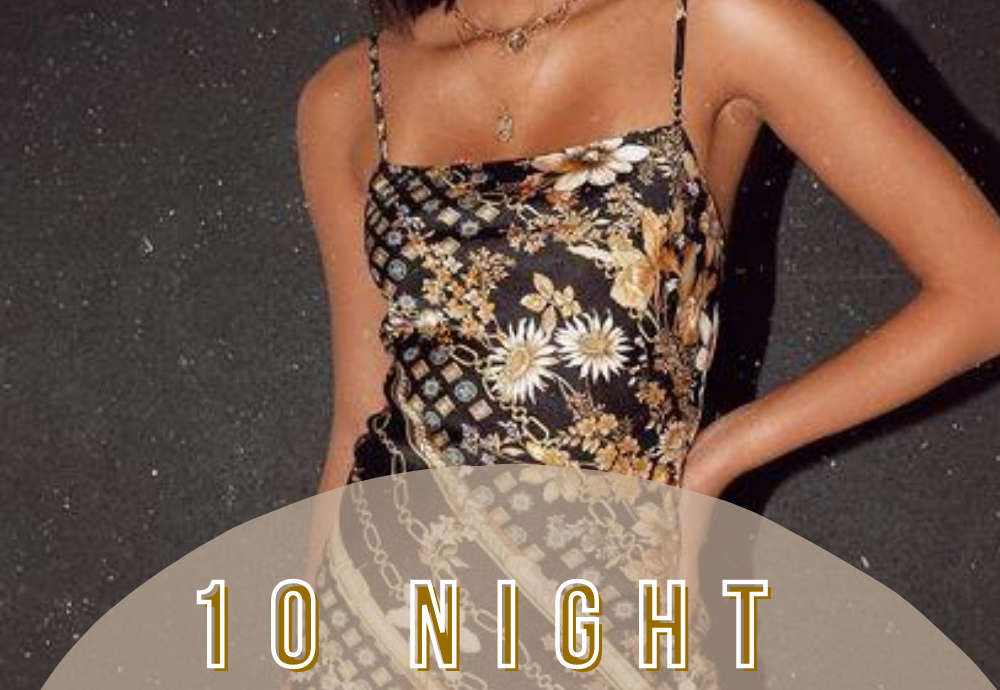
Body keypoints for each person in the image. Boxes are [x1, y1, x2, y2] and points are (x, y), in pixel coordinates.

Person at [295, 0, 1000, 500]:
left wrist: (725, 453)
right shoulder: (349, 95)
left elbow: (984, 290)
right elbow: (358, 414)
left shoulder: (717, 20)